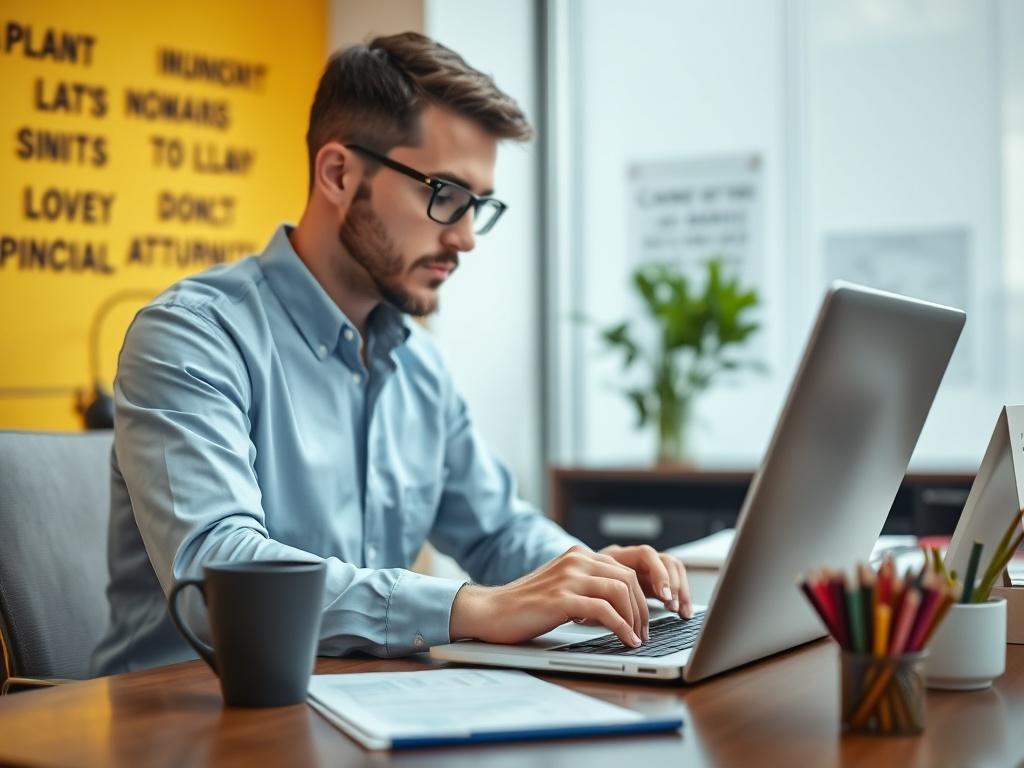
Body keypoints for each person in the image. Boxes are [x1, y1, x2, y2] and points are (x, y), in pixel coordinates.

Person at [91, 32, 692, 675]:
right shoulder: (192, 337)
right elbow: (222, 576)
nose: (464, 238)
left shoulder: (420, 367)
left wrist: (595, 578)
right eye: (445, 195)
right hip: (183, 722)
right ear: (339, 174)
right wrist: (466, 607)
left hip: (359, 715)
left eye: (478, 207)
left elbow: (497, 532)